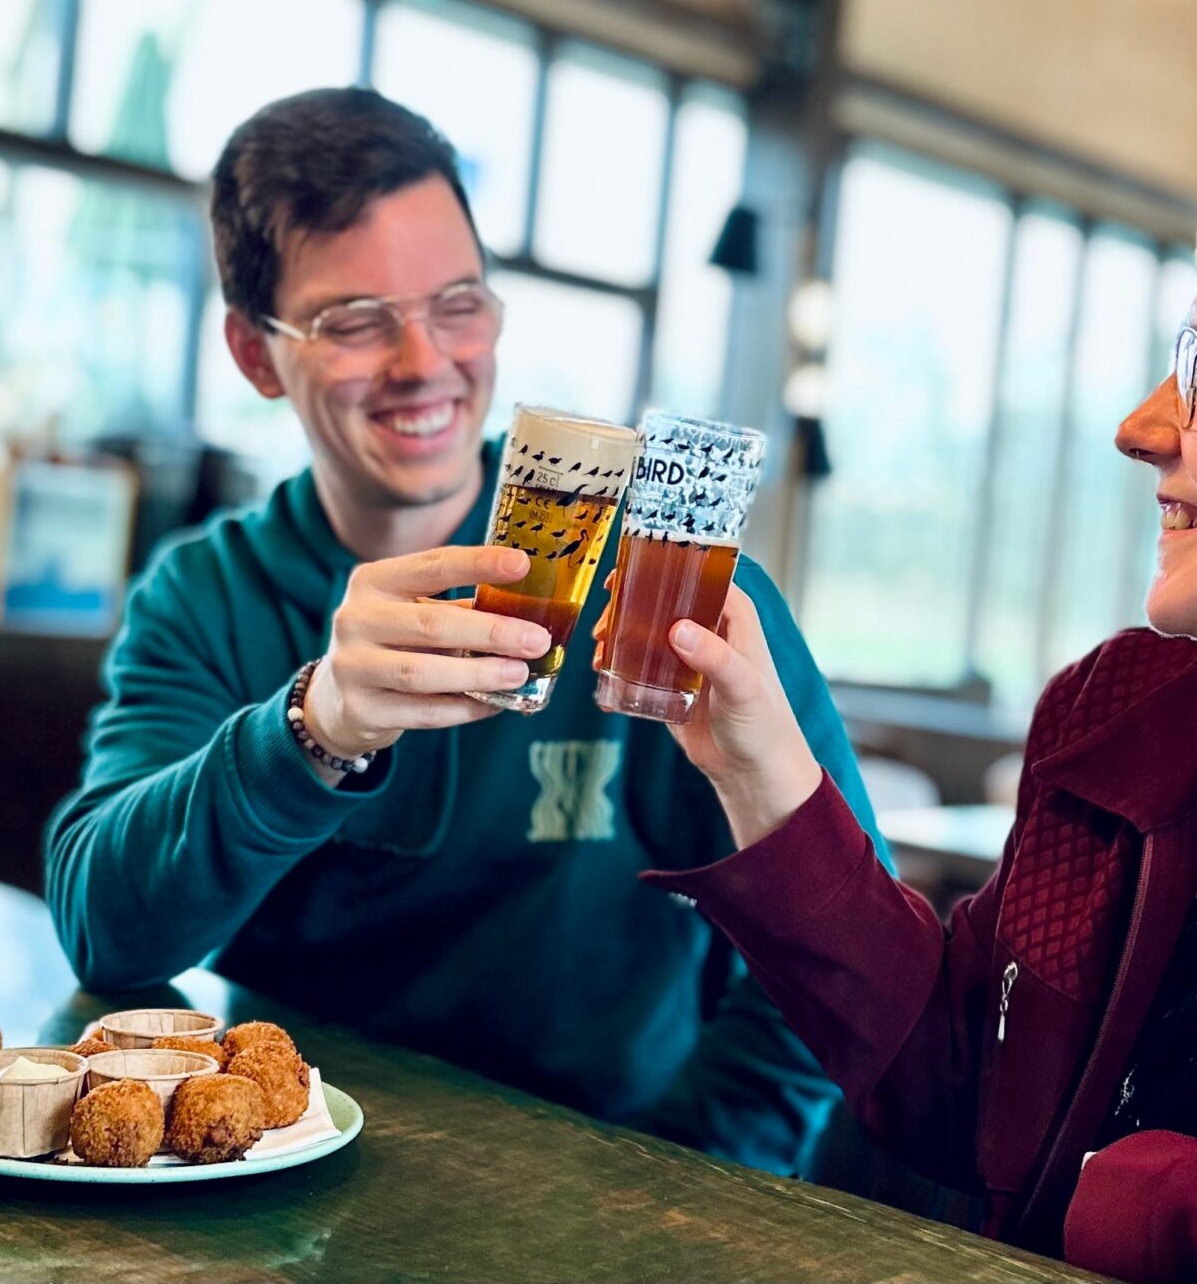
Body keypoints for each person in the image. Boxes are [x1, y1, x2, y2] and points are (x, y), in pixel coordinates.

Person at [639, 172, 1197, 1281]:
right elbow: (962, 1094)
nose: (1140, 428)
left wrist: (1143, 1197)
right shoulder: (1121, 710)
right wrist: (761, 768)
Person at [44, 86, 890, 1175]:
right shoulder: (209, 595)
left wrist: (666, 1193)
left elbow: (836, 959)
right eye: (354, 320)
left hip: (605, 1201)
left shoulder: (665, 590)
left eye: (457, 303)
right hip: (278, 1184)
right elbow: (106, 932)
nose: (424, 362)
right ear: (255, 354)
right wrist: (313, 727)